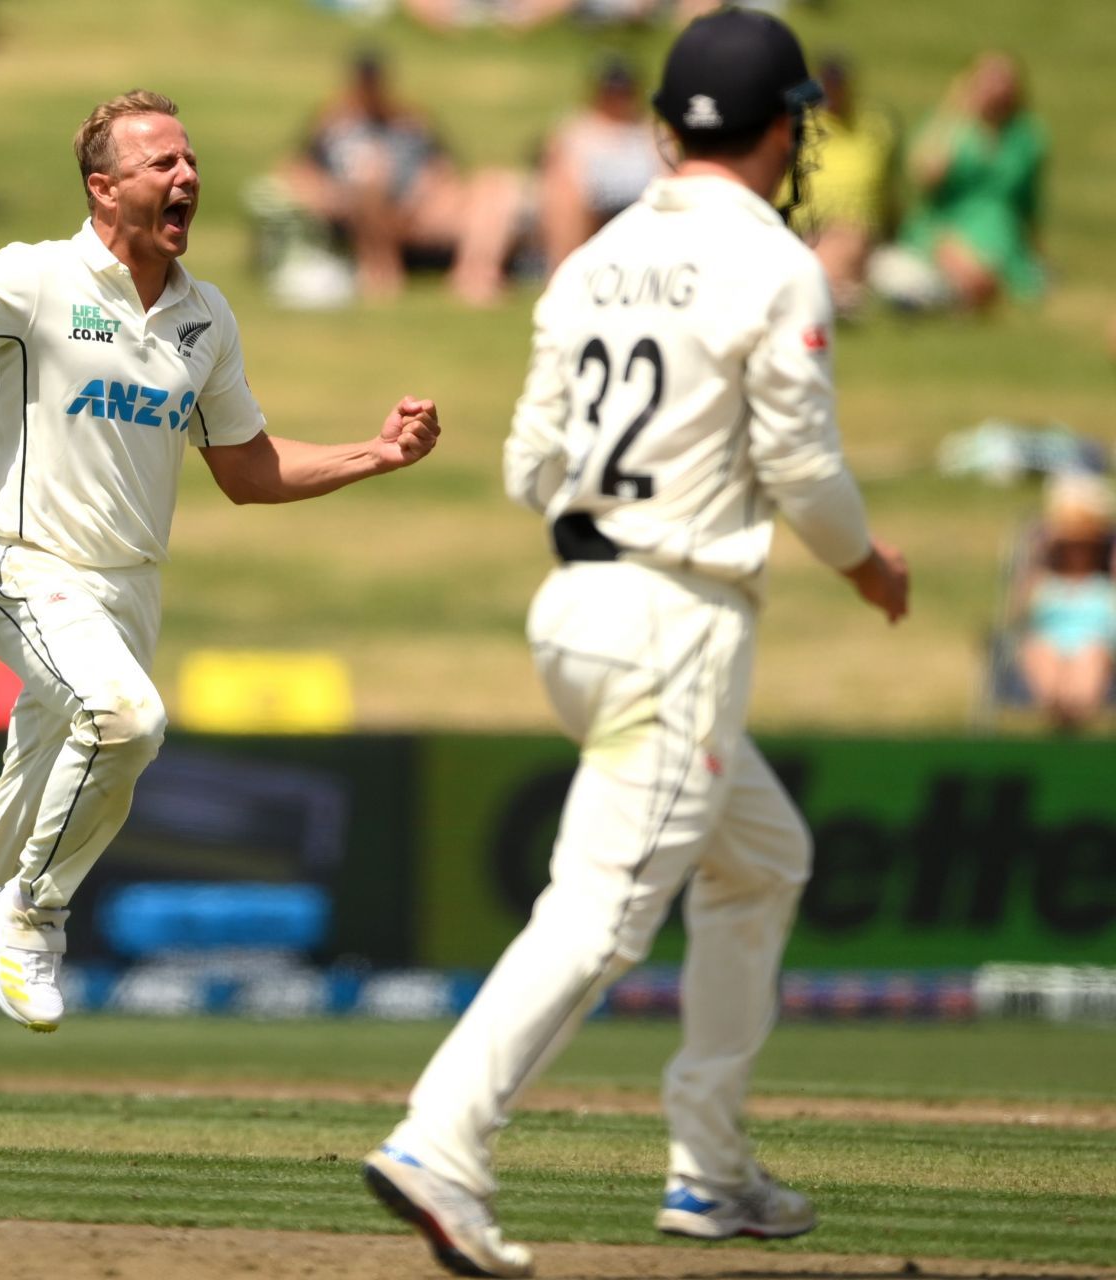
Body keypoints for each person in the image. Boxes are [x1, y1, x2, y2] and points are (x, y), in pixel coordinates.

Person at [362, 12, 909, 1276]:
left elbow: (524, 466)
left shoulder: (595, 258)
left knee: (763, 858)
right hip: (674, 617)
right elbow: (805, 469)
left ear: (667, 127)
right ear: (784, 127)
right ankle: (442, 1137)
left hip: (576, 607)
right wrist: (871, 567)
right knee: (603, 912)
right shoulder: (775, 262)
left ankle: (712, 1170)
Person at [0, 89, 443, 1148]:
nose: (186, 177)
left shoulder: (206, 315)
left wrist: (375, 453)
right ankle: (35, 914)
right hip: (25, 571)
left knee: (19, 811)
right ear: (103, 186)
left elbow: (247, 471)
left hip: (126, 594)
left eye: (192, 159)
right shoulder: (35, 277)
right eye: (161, 162)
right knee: (127, 720)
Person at [454, 56, 664, 305]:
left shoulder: (650, 133)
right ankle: (476, 273)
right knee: (493, 185)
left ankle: (563, 278)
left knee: (566, 193)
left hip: (625, 205)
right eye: (611, 91)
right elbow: (548, 165)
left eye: (622, 91)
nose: (616, 98)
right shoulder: (574, 128)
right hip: (570, 203)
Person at [277, 51, 479, 300]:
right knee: (370, 175)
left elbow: (442, 166)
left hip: (412, 206)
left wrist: (426, 190)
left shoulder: (409, 120)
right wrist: (324, 194)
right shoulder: (332, 122)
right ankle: (380, 266)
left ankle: (468, 273)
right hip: (354, 205)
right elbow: (297, 167)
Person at [873, 52, 1046, 311]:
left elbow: (1029, 200)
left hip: (1001, 232)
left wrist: (1034, 247)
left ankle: (952, 292)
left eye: (1004, 81)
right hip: (947, 225)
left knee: (985, 274)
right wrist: (955, 113)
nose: (996, 90)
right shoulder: (951, 126)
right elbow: (926, 176)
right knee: (959, 263)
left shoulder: (1026, 136)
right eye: (989, 81)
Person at [786, 54, 897, 314]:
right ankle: (833, 293)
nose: (832, 91)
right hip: (803, 233)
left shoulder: (875, 127)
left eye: (837, 83)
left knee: (850, 236)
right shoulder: (795, 125)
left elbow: (890, 191)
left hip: (863, 237)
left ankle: (831, 293)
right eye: (826, 83)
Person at [1013, 474, 1116, 732]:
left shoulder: (1105, 583)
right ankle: (1060, 727)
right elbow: (1017, 615)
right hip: (1048, 645)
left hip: (1095, 646)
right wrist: (1038, 555)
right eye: (1071, 544)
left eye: (1084, 544)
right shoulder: (1043, 580)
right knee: (1040, 650)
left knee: (1090, 655)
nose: (1077, 551)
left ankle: (1072, 724)